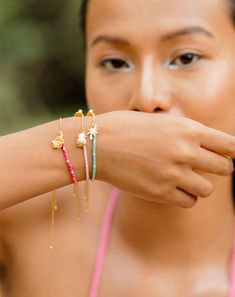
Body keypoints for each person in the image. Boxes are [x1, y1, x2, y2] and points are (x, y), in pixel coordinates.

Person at [1, 0, 235, 295]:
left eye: (186, 58)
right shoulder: (35, 221)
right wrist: (82, 145)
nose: (147, 97)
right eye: (115, 63)